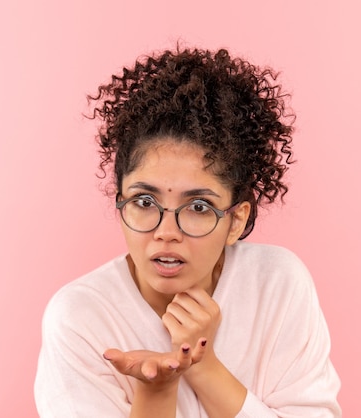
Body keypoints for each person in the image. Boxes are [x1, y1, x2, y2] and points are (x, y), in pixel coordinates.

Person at [34, 46, 341, 418]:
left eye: (198, 207)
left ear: (237, 220)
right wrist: (156, 392)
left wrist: (203, 366)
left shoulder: (276, 284)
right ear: (120, 204)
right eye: (144, 201)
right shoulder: (80, 317)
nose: (166, 232)